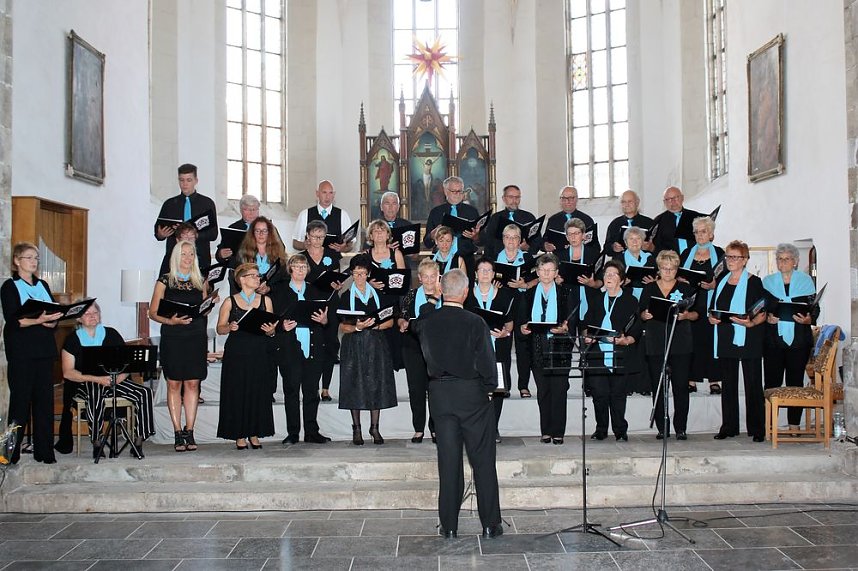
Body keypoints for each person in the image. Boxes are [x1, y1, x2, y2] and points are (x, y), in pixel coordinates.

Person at [413, 268, 503, 539]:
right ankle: (490, 524)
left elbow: (419, 320)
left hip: (440, 394)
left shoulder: (427, 321)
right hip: (471, 394)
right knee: (483, 460)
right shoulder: (476, 322)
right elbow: (487, 363)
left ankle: (449, 526)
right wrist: (489, 388)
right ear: (466, 293)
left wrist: (432, 299)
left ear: (442, 291)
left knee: (449, 461)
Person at [60, 303, 155, 457]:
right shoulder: (72, 340)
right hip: (86, 383)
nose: (92, 316)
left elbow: (127, 363)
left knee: (145, 393)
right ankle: (97, 441)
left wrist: (119, 378)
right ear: (79, 318)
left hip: (114, 380)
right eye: (87, 313)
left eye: (95, 312)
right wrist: (97, 379)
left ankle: (138, 441)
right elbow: (68, 372)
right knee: (95, 392)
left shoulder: (111, 334)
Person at [1, 243, 62, 464]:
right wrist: (39, 320)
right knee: (20, 403)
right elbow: (13, 320)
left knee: (44, 403)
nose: (34, 261)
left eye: (36, 258)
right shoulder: (10, 286)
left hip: (44, 350)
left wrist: (52, 321)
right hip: (22, 352)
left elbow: (52, 314)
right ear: (17, 261)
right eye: (29, 257)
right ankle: (10, 454)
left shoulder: (42, 284)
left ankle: (44, 452)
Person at [149, 240, 212, 452]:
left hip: (195, 336)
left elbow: (203, 310)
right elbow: (153, 312)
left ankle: (190, 430)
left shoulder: (200, 280)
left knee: (193, 383)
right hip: (173, 335)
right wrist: (171, 321)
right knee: (174, 383)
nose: (187, 258)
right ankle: (177, 431)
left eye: (191, 254)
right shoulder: (165, 281)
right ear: (176, 256)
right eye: (183, 254)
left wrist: (209, 304)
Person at [709, 240, 767, 442]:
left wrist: (751, 323)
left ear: (745, 260)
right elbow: (713, 307)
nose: (730, 260)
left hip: (749, 337)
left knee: (753, 383)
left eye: (735, 257)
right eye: (728, 256)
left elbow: (762, 312)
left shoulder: (754, 282)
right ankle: (729, 426)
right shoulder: (722, 280)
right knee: (728, 384)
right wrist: (712, 318)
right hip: (726, 336)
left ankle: (757, 429)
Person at [215, 263, 277, 450]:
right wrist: (229, 327)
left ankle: (255, 432)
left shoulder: (266, 300)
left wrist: (271, 330)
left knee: (258, 391)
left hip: (259, 350)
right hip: (237, 351)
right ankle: (239, 434)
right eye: (253, 276)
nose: (258, 279)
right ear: (242, 279)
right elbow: (220, 328)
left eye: (258, 276)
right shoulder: (230, 301)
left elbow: (271, 328)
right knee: (237, 391)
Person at [270, 254, 332, 444]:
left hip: (313, 345)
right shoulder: (279, 291)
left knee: (311, 391)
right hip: (289, 346)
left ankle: (312, 431)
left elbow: (326, 320)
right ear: (290, 269)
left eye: (304, 267)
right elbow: (272, 319)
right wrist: (281, 326)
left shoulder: (315, 291)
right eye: (296, 266)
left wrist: (324, 320)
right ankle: (293, 432)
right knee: (291, 391)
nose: (300, 270)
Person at [337, 255, 397, 445]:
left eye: (363, 273)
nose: (359, 277)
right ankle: (356, 428)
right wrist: (357, 327)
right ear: (351, 274)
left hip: (376, 343)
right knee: (353, 384)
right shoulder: (346, 296)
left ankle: (375, 428)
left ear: (368, 273)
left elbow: (390, 321)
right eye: (356, 274)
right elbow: (342, 327)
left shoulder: (379, 295)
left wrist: (375, 326)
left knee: (375, 384)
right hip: (353, 345)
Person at [638, 251, 698, 440]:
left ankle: (681, 427)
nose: (668, 272)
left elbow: (696, 313)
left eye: (672, 269)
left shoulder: (685, 288)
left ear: (677, 269)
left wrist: (686, 315)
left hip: (680, 342)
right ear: (659, 269)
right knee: (658, 386)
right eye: (664, 268)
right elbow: (640, 312)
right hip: (655, 341)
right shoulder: (649, 288)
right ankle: (662, 427)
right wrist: (645, 315)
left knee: (680, 386)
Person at [581, 260, 641, 441]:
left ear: (621, 280)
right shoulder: (596, 299)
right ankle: (601, 429)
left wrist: (626, 340)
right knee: (599, 394)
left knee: (618, 394)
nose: (609, 277)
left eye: (613, 274)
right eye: (607, 274)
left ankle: (620, 430)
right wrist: (587, 336)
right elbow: (586, 324)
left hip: (620, 352)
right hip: (597, 352)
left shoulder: (630, 300)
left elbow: (636, 327)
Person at [518, 254, 574, 444]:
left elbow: (573, 320)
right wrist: (523, 328)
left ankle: (558, 431)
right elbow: (522, 322)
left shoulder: (566, 293)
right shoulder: (528, 294)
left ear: (556, 272)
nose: (546, 273)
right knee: (543, 392)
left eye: (550, 270)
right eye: (543, 270)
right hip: (537, 346)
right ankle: (546, 431)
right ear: (537, 272)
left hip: (559, 347)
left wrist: (566, 328)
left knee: (559, 391)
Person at [762, 243, 817, 432]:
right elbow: (761, 307)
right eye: (780, 259)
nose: (782, 262)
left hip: (799, 340)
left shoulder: (806, 281)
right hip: (773, 340)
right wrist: (767, 318)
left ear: (795, 261)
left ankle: (794, 425)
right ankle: (770, 425)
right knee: (772, 382)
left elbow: (814, 308)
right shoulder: (767, 282)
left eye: (787, 259)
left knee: (795, 383)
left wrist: (809, 319)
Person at [464, 258, 515, 442]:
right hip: (474, 350)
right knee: (476, 390)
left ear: (494, 274)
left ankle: (493, 428)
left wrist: (505, 333)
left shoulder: (505, 295)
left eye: (489, 270)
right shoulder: (467, 295)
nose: (485, 273)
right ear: (476, 274)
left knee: (497, 390)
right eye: (482, 270)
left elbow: (510, 324)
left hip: (498, 348)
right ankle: (477, 428)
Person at [398, 258, 442, 443]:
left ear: (438, 277)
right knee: (416, 389)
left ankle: (435, 428)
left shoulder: (445, 294)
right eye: (426, 276)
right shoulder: (411, 294)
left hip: (438, 348)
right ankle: (418, 428)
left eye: (433, 276)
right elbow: (402, 316)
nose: (430, 280)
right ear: (420, 278)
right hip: (413, 346)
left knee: (436, 390)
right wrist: (402, 323)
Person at [680, 216, 725, 395]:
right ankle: (691, 379)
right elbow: (678, 275)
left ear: (711, 234)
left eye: (703, 231)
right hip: (691, 303)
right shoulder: (686, 253)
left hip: (712, 302)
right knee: (691, 341)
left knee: (711, 340)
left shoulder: (720, 253)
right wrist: (682, 280)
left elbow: (727, 279)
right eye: (697, 232)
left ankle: (714, 380)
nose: (700, 235)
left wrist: (715, 285)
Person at [299, 220, 343, 402]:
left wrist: (337, 284)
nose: (318, 240)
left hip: (330, 303)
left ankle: (325, 388)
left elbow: (337, 276)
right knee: (312, 345)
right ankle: (312, 386)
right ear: (307, 236)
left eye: (321, 237)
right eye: (315, 236)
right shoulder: (301, 257)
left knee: (330, 344)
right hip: (309, 304)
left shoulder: (332, 255)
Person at [494, 224, 538, 398]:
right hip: (501, 302)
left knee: (523, 345)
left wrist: (524, 284)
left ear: (520, 241)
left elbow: (537, 278)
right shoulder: (495, 258)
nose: (511, 241)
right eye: (508, 237)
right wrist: (494, 284)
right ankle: (503, 385)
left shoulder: (527, 257)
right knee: (503, 345)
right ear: (503, 239)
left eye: (515, 237)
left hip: (522, 302)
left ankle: (523, 386)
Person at [154, 163, 218, 275]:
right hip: (174, 258)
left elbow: (213, 234)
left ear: (196, 181)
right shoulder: (169, 204)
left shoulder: (207, 203)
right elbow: (158, 232)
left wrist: (195, 235)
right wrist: (161, 234)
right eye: (181, 180)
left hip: (199, 258)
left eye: (189, 180)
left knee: (199, 286)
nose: (185, 184)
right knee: (167, 285)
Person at [423, 176, 480, 272]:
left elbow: (483, 240)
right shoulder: (436, 212)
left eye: (460, 191)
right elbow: (427, 243)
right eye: (454, 191)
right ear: (446, 192)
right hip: (441, 260)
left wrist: (476, 236)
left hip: (466, 260)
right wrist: (432, 235)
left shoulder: (472, 211)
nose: (458, 194)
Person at [478, 184, 542, 259]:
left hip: (523, 259)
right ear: (504, 199)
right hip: (499, 259)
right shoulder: (495, 218)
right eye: (511, 197)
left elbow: (537, 242)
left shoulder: (529, 217)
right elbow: (488, 243)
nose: (514, 200)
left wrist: (527, 247)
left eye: (517, 197)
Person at [292, 180, 354, 253]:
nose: (327, 197)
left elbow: (350, 243)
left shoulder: (343, 215)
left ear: (334, 194)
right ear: (317, 193)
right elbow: (295, 243)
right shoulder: (305, 214)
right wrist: (304, 245)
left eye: (330, 193)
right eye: (324, 192)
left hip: (334, 258)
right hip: (310, 258)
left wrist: (342, 248)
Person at [232, 216, 288, 297]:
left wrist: (269, 288)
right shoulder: (242, 254)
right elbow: (238, 280)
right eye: (257, 230)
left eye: (264, 231)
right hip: (248, 297)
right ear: (252, 233)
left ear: (270, 233)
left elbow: (285, 281)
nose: (261, 234)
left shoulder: (279, 255)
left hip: (273, 297)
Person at [543, 186, 600, 253]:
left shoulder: (587, 220)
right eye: (564, 198)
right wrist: (545, 246)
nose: (567, 201)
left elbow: (596, 247)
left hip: (581, 257)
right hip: (559, 257)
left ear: (576, 199)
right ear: (560, 200)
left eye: (571, 198)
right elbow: (544, 241)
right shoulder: (553, 220)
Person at [647, 186, 702, 256]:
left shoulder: (695, 217)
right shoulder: (659, 221)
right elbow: (655, 246)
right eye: (669, 199)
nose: (673, 202)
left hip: (695, 258)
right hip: (670, 260)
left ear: (682, 198)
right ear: (664, 202)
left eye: (676, 197)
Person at [603, 190, 653, 259]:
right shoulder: (615, 224)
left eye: (630, 201)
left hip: (643, 261)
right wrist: (613, 247)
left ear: (637, 202)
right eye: (623, 202)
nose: (627, 205)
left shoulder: (649, 223)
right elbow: (606, 248)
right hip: (620, 263)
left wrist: (650, 247)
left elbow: (658, 246)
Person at [215, 194, 260, 265]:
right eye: (247, 209)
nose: (251, 213)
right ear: (241, 211)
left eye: (254, 209)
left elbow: (278, 248)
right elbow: (219, 253)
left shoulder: (268, 227)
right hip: (238, 268)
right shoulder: (233, 228)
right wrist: (220, 254)